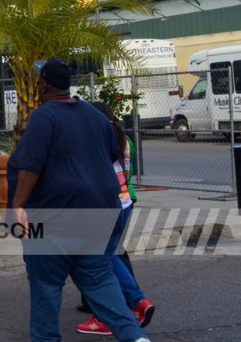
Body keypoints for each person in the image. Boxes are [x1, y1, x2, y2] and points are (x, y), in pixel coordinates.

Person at [8, 59, 151, 342]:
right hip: (102, 213)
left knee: (46, 285)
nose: (36, 84)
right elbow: (111, 156)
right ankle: (136, 337)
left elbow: (31, 165)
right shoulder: (95, 115)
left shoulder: (44, 116)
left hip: (55, 217)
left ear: (44, 85)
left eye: (38, 80)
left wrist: (18, 206)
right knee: (99, 279)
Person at [75, 102, 155, 335]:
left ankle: (109, 313)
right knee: (111, 254)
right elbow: (127, 172)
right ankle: (135, 301)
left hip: (103, 205)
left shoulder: (92, 141)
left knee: (99, 262)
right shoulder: (124, 140)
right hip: (124, 199)